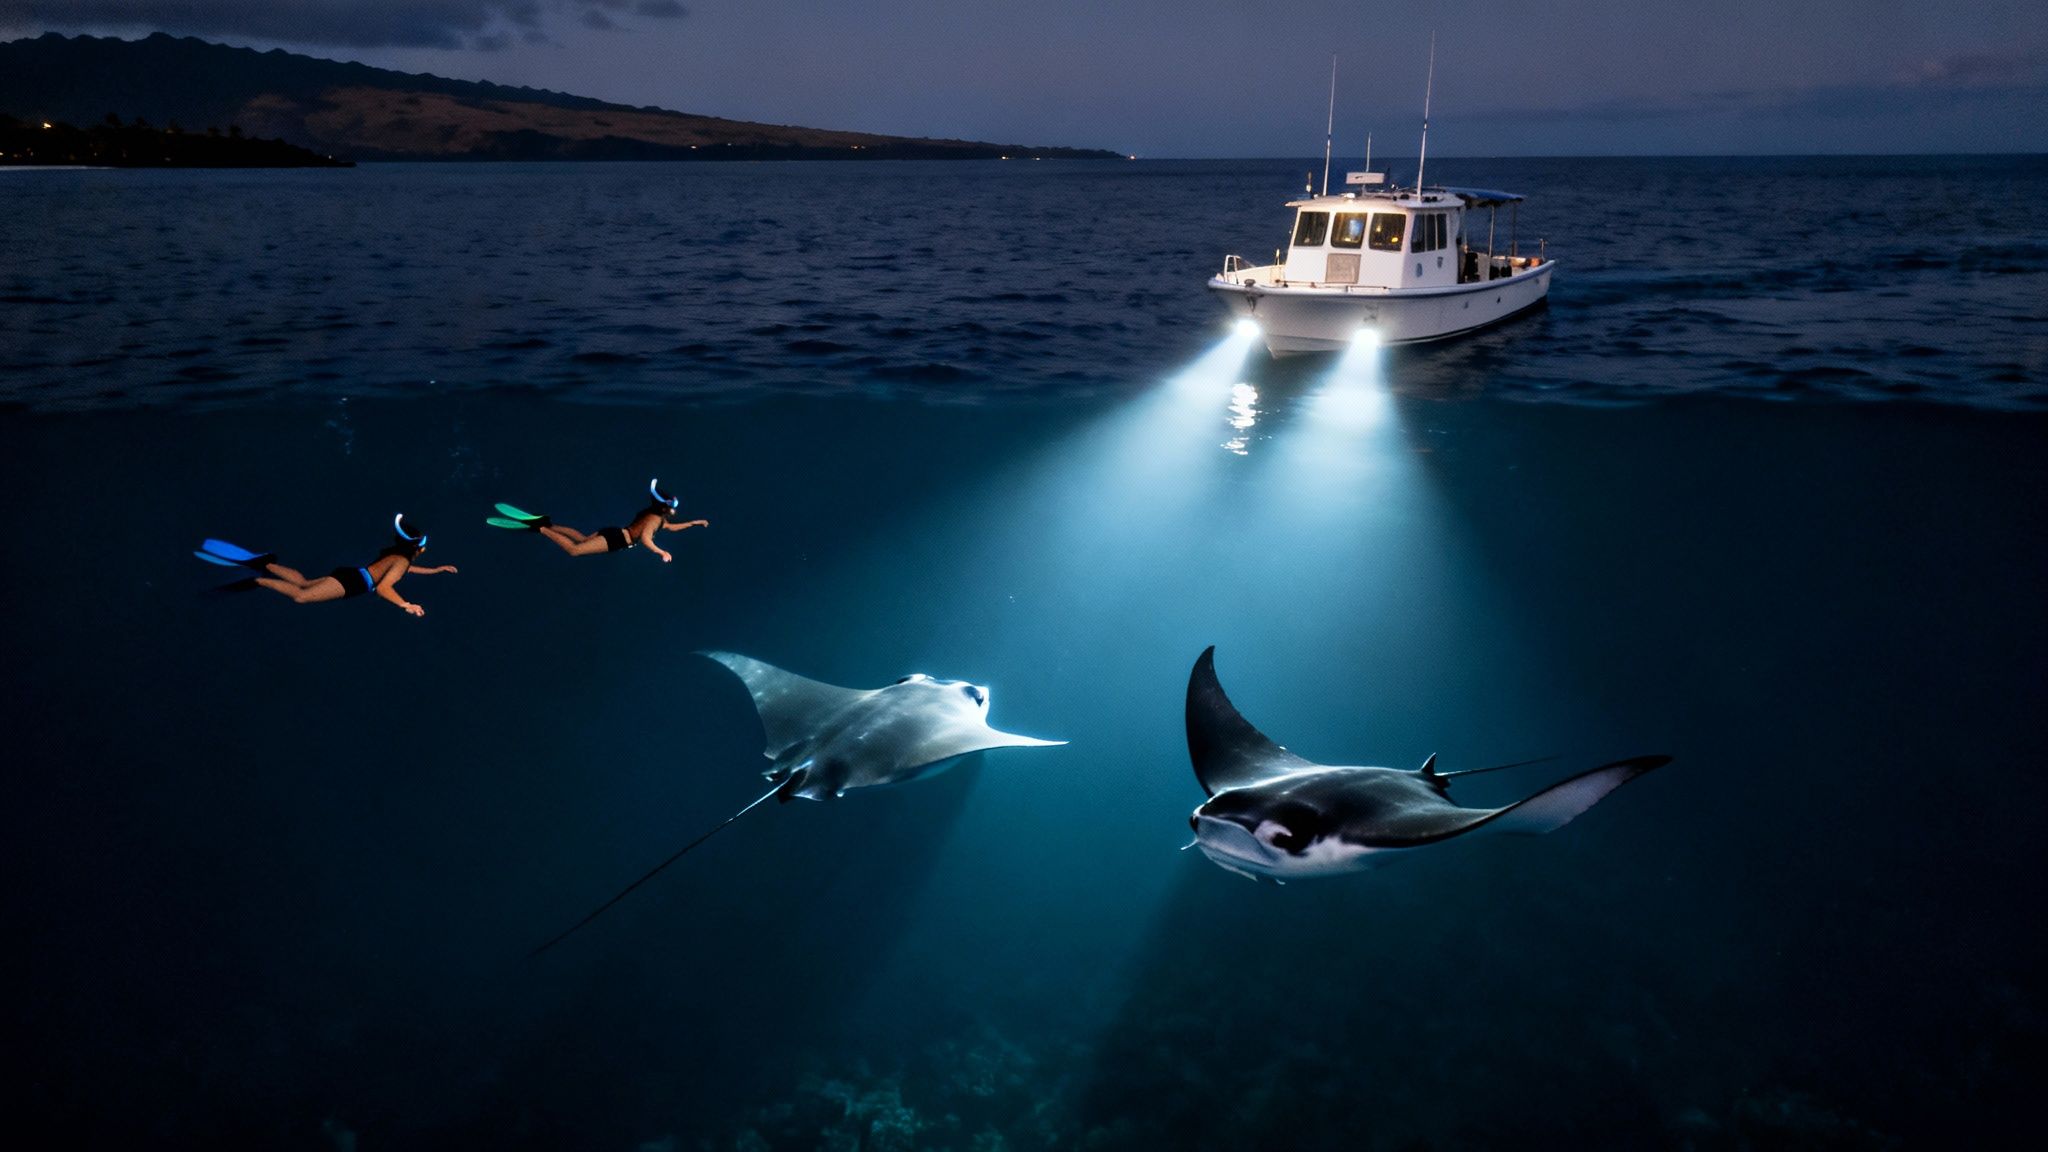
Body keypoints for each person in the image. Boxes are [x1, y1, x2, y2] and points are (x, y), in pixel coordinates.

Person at [193, 514, 455, 617]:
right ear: (415, 548)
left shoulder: (398, 559)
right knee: (301, 597)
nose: (424, 551)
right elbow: (385, 586)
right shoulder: (400, 562)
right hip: (355, 583)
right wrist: (404, 604)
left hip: (353, 575)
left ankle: (266, 564)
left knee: (305, 582)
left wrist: (435, 570)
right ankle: (258, 579)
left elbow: (402, 570)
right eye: (423, 548)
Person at [489, 479, 708, 564]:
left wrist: (693, 523)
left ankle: (548, 523)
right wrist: (660, 552)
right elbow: (645, 538)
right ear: (663, 507)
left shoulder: (657, 517)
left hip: (614, 532)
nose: (675, 510)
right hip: (617, 540)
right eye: (673, 506)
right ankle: (541, 528)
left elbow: (669, 527)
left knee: (582, 538)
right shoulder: (653, 520)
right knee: (574, 551)